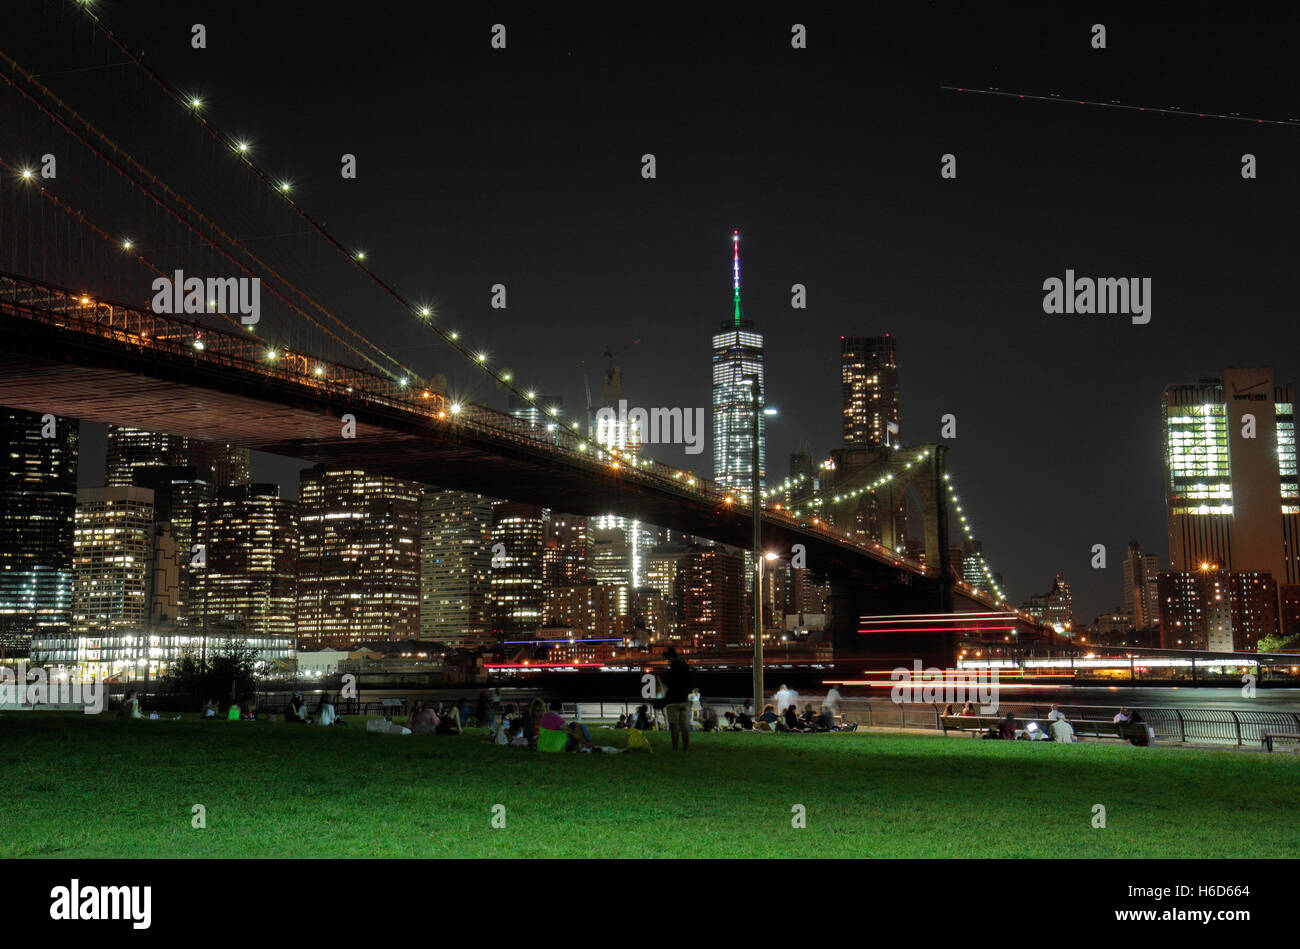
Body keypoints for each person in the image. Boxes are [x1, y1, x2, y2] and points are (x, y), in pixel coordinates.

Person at [660, 647, 695, 752]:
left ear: (671, 656)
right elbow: (691, 682)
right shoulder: (685, 667)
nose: (668, 660)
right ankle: (685, 749)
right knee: (684, 726)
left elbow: (666, 680)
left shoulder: (671, 669)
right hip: (684, 699)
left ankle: (675, 749)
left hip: (672, 700)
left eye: (668, 658)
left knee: (674, 726)